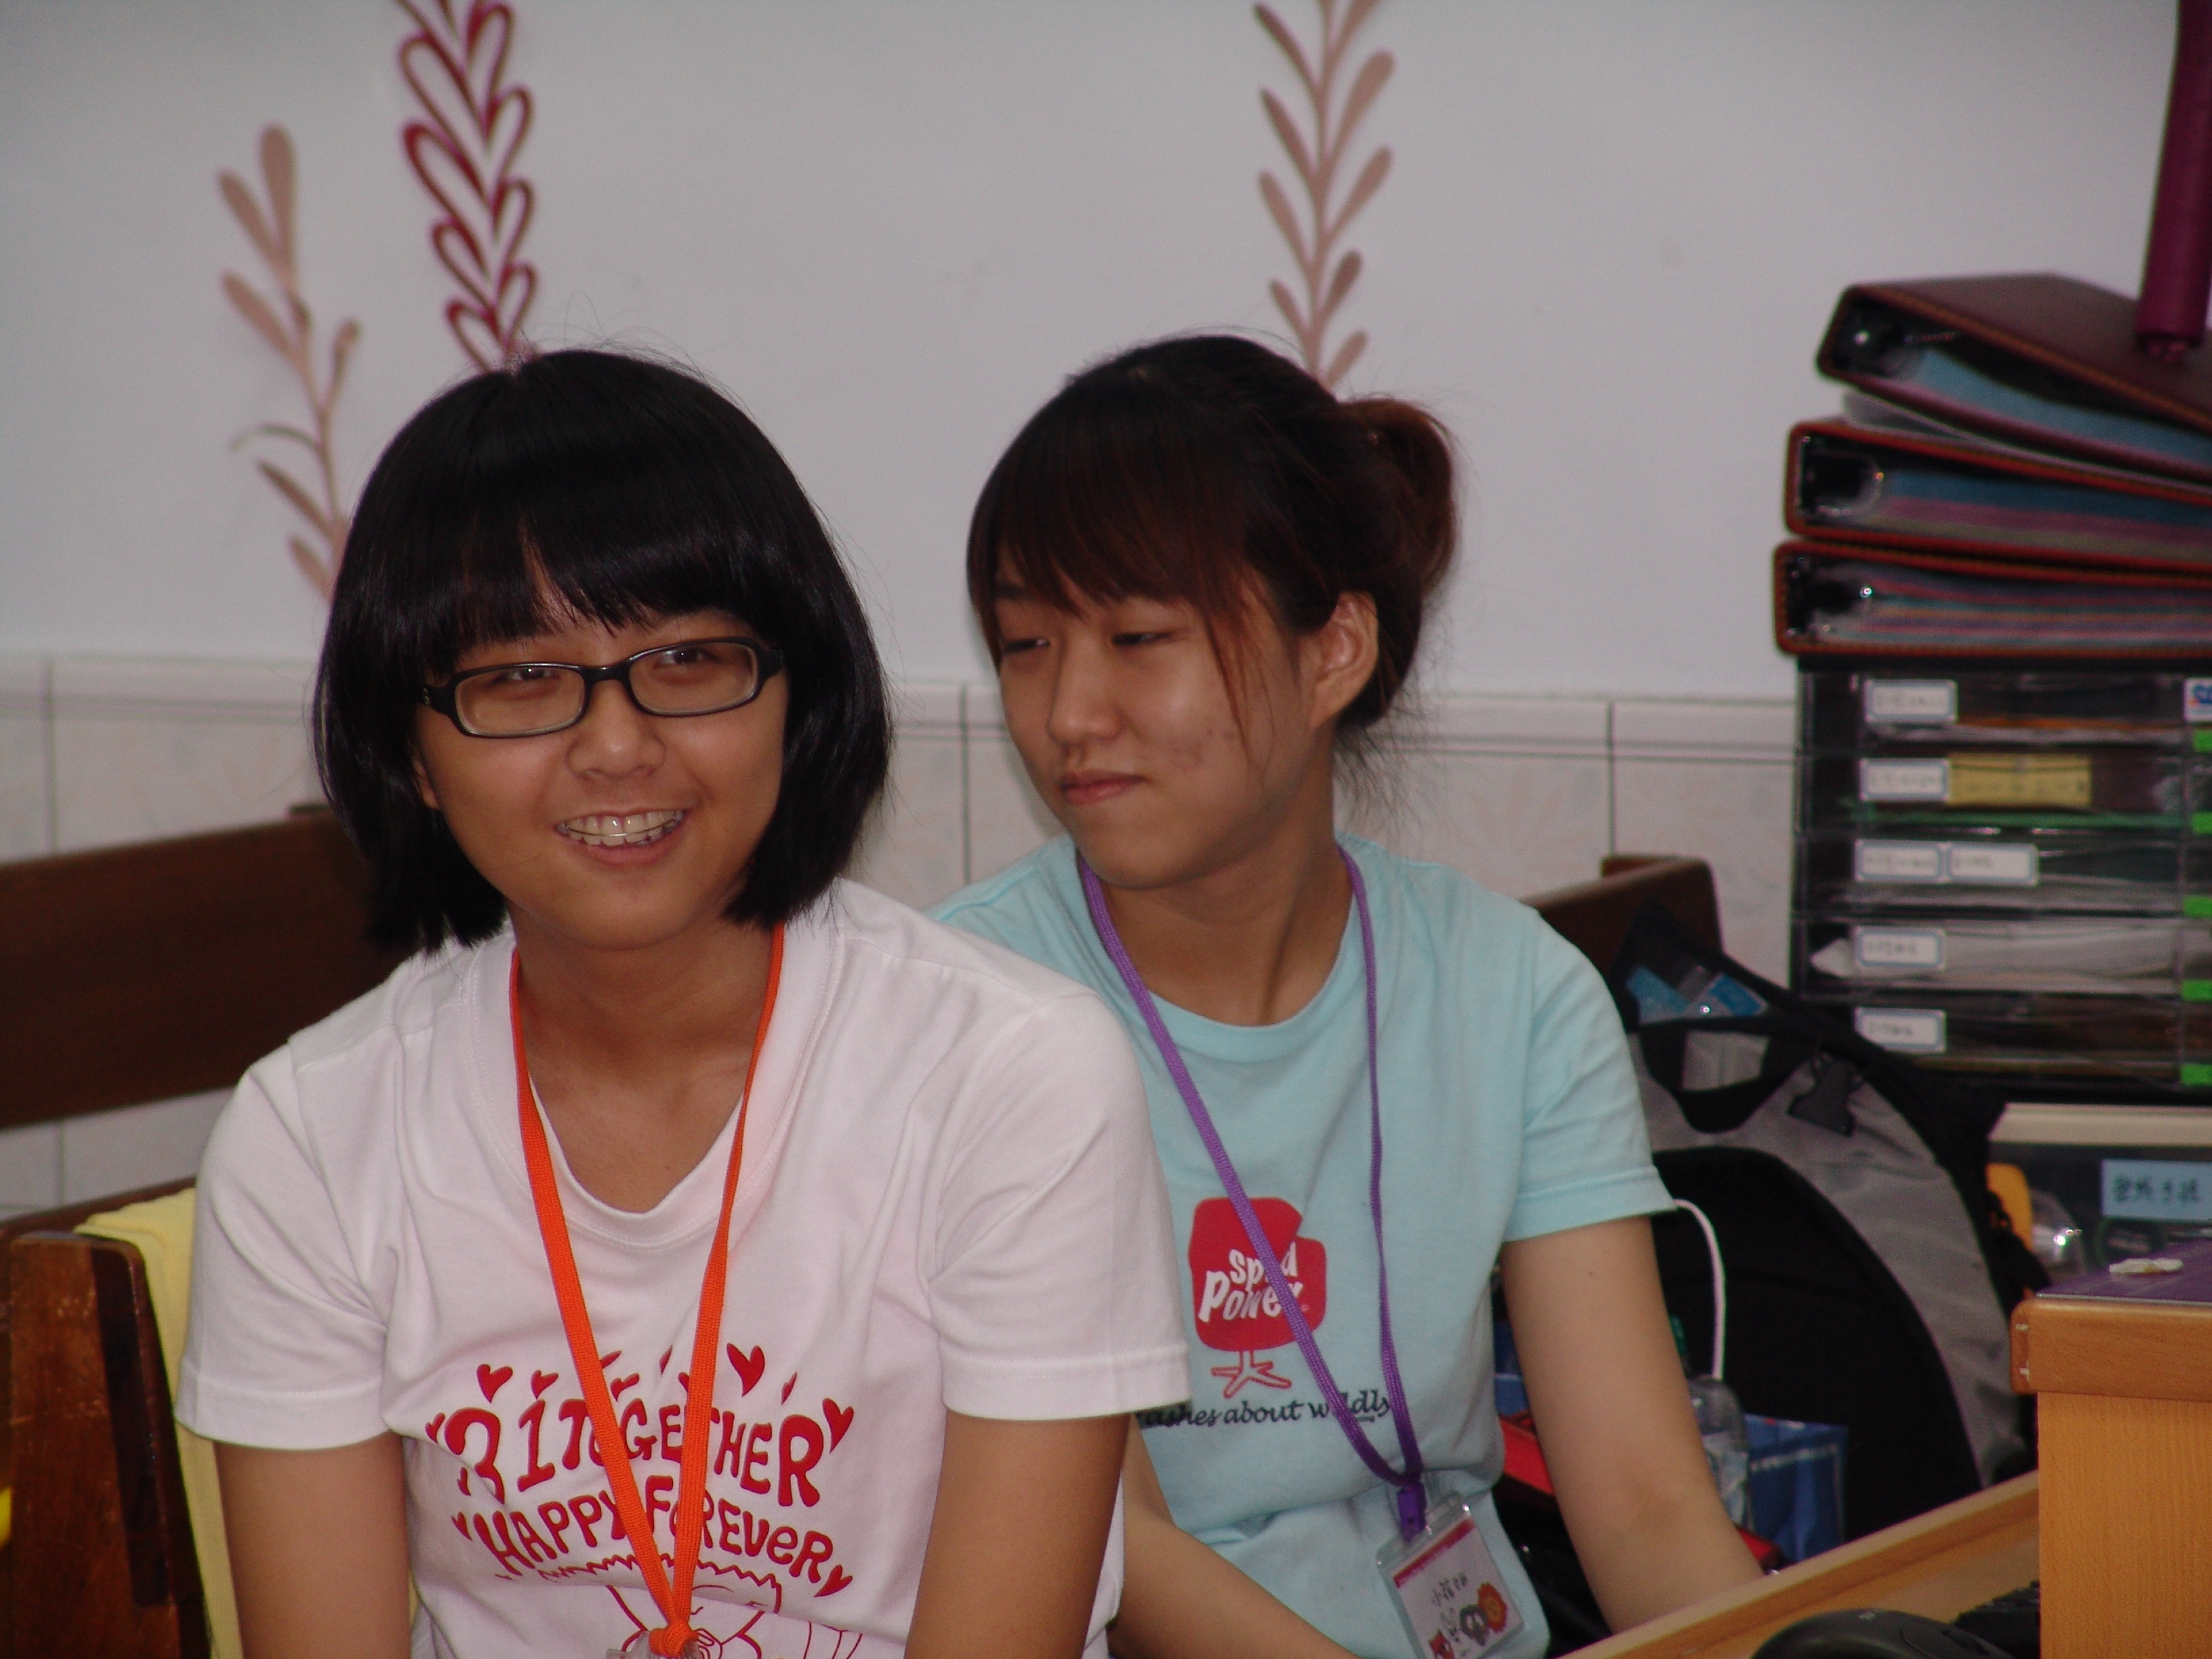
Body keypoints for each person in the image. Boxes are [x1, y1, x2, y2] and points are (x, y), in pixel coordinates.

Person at [177, 349, 1191, 1659]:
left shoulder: (1013, 1078)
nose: (616, 745)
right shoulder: (312, 1136)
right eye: (520, 678)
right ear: (411, 754)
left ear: (795, 693)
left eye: (691, 659)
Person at [932, 335, 1763, 1659]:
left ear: (1334, 652)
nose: (1070, 710)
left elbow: (1650, 1508)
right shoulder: (966, 1013)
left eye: (1138, 638)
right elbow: (1112, 1546)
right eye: (1026, 643)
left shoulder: (1515, 995)